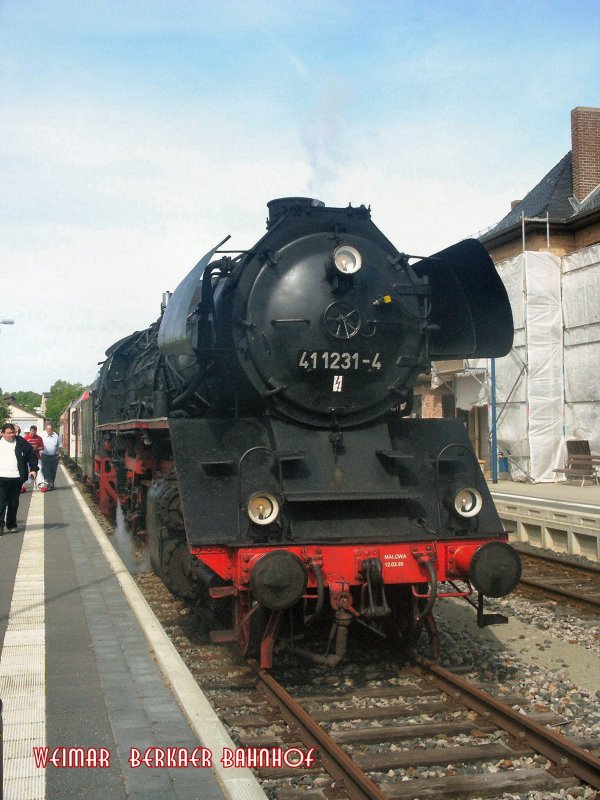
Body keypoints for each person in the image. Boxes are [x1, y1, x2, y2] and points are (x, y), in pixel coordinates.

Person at [0, 423, 38, 533]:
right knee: (1, 502)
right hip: (1, 477)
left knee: (13, 502)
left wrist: (33, 469)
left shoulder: (20, 442)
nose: (11, 435)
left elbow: (31, 454)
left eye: (13, 433)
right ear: (2, 433)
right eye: (8, 433)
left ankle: (11, 524)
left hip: (16, 477)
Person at [40, 422, 62, 491]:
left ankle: (51, 484)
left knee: (53, 471)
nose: (48, 431)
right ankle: (50, 484)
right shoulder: (42, 435)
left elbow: (59, 446)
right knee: (46, 471)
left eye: (50, 429)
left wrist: (59, 454)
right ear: (45, 429)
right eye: (47, 429)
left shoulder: (56, 436)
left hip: (54, 456)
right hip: (44, 456)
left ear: (52, 429)